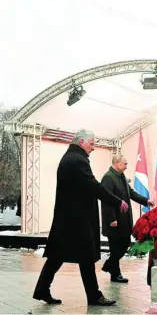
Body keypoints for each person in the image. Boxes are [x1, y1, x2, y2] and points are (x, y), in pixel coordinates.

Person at [33, 129, 129, 306]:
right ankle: (93, 296)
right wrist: (117, 202)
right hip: (77, 219)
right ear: (81, 142)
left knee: (58, 255)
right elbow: (93, 186)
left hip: (69, 218)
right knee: (84, 256)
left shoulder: (71, 158)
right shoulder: (77, 160)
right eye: (91, 143)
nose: (93, 147)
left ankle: (42, 289)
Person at [101, 155, 155, 283]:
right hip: (114, 221)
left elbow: (131, 193)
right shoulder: (108, 177)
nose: (126, 166)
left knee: (124, 244)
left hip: (124, 220)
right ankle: (115, 274)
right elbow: (106, 200)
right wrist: (111, 219)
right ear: (117, 163)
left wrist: (146, 201)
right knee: (115, 248)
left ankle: (110, 267)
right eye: (125, 164)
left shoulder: (121, 177)